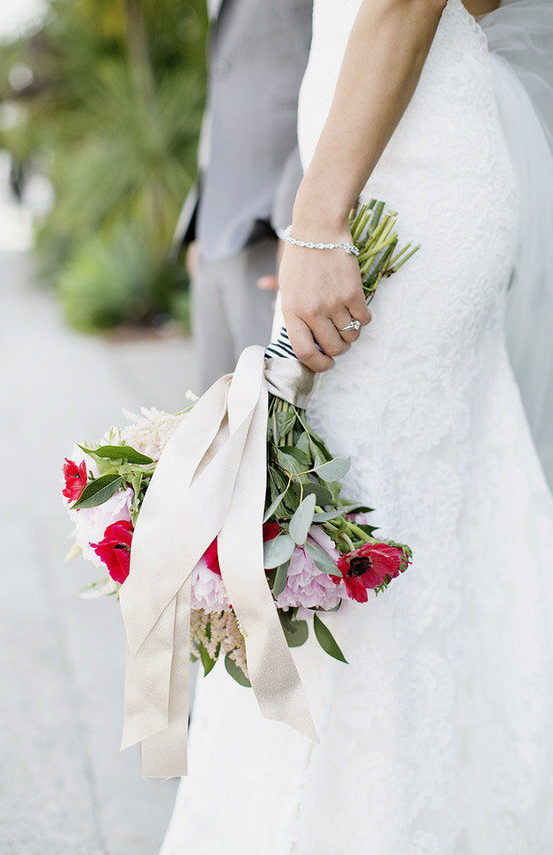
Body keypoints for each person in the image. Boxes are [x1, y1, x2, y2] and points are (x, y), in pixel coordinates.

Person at [160, 1, 553, 852]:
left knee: (346, 531)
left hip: (391, 186)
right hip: (416, 161)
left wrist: (319, 217)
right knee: (412, 521)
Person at [183, 0, 312, 392]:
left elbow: (337, 71)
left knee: (267, 412)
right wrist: (198, 218)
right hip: (214, 227)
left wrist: (296, 220)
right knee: (208, 412)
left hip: (276, 223)